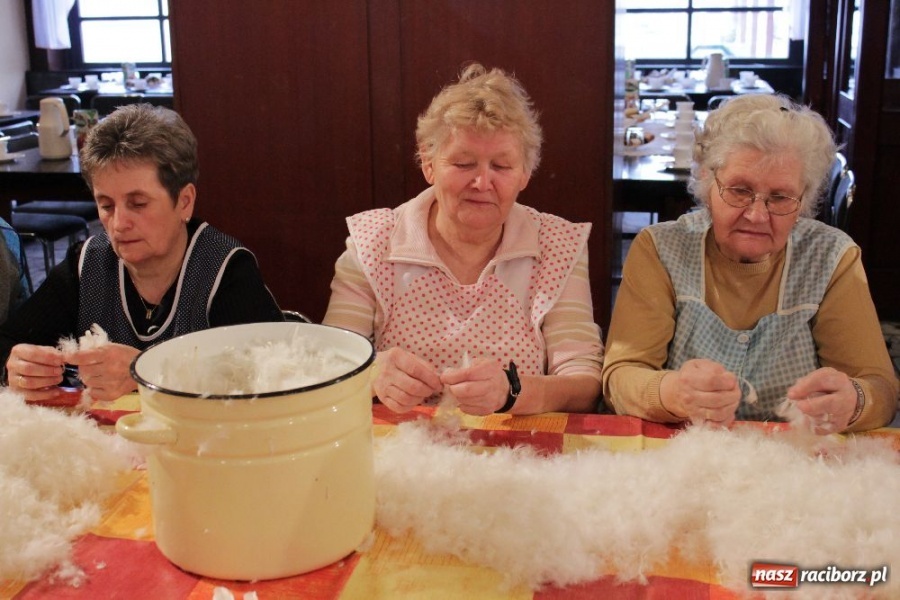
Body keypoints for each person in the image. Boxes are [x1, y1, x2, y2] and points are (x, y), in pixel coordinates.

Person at [602, 94, 898, 433]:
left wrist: (854, 401)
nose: (757, 215)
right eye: (740, 190)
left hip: (798, 459)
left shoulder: (830, 257)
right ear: (707, 182)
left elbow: (881, 389)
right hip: (683, 454)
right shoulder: (662, 249)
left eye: (780, 197)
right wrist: (673, 393)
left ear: (803, 199)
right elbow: (619, 379)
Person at [323, 62, 603, 415]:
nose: (482, 183)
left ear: (525, 174)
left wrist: (511, 392)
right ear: (429, 164)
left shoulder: (557, 246)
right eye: (463, 164)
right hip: (399, 442)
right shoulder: (372, 243)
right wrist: (374, 374)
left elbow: (584, 386)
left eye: (501, 166)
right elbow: (331, 363)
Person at [1, 104, 283, 402]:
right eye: (106, 206)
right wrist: (15, 366)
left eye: (138, 204)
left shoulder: (224, 270)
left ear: (184, 202)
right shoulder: (86, 266)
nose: (119, 224)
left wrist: (148, 371)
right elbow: (8, 343)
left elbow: (269, 380)